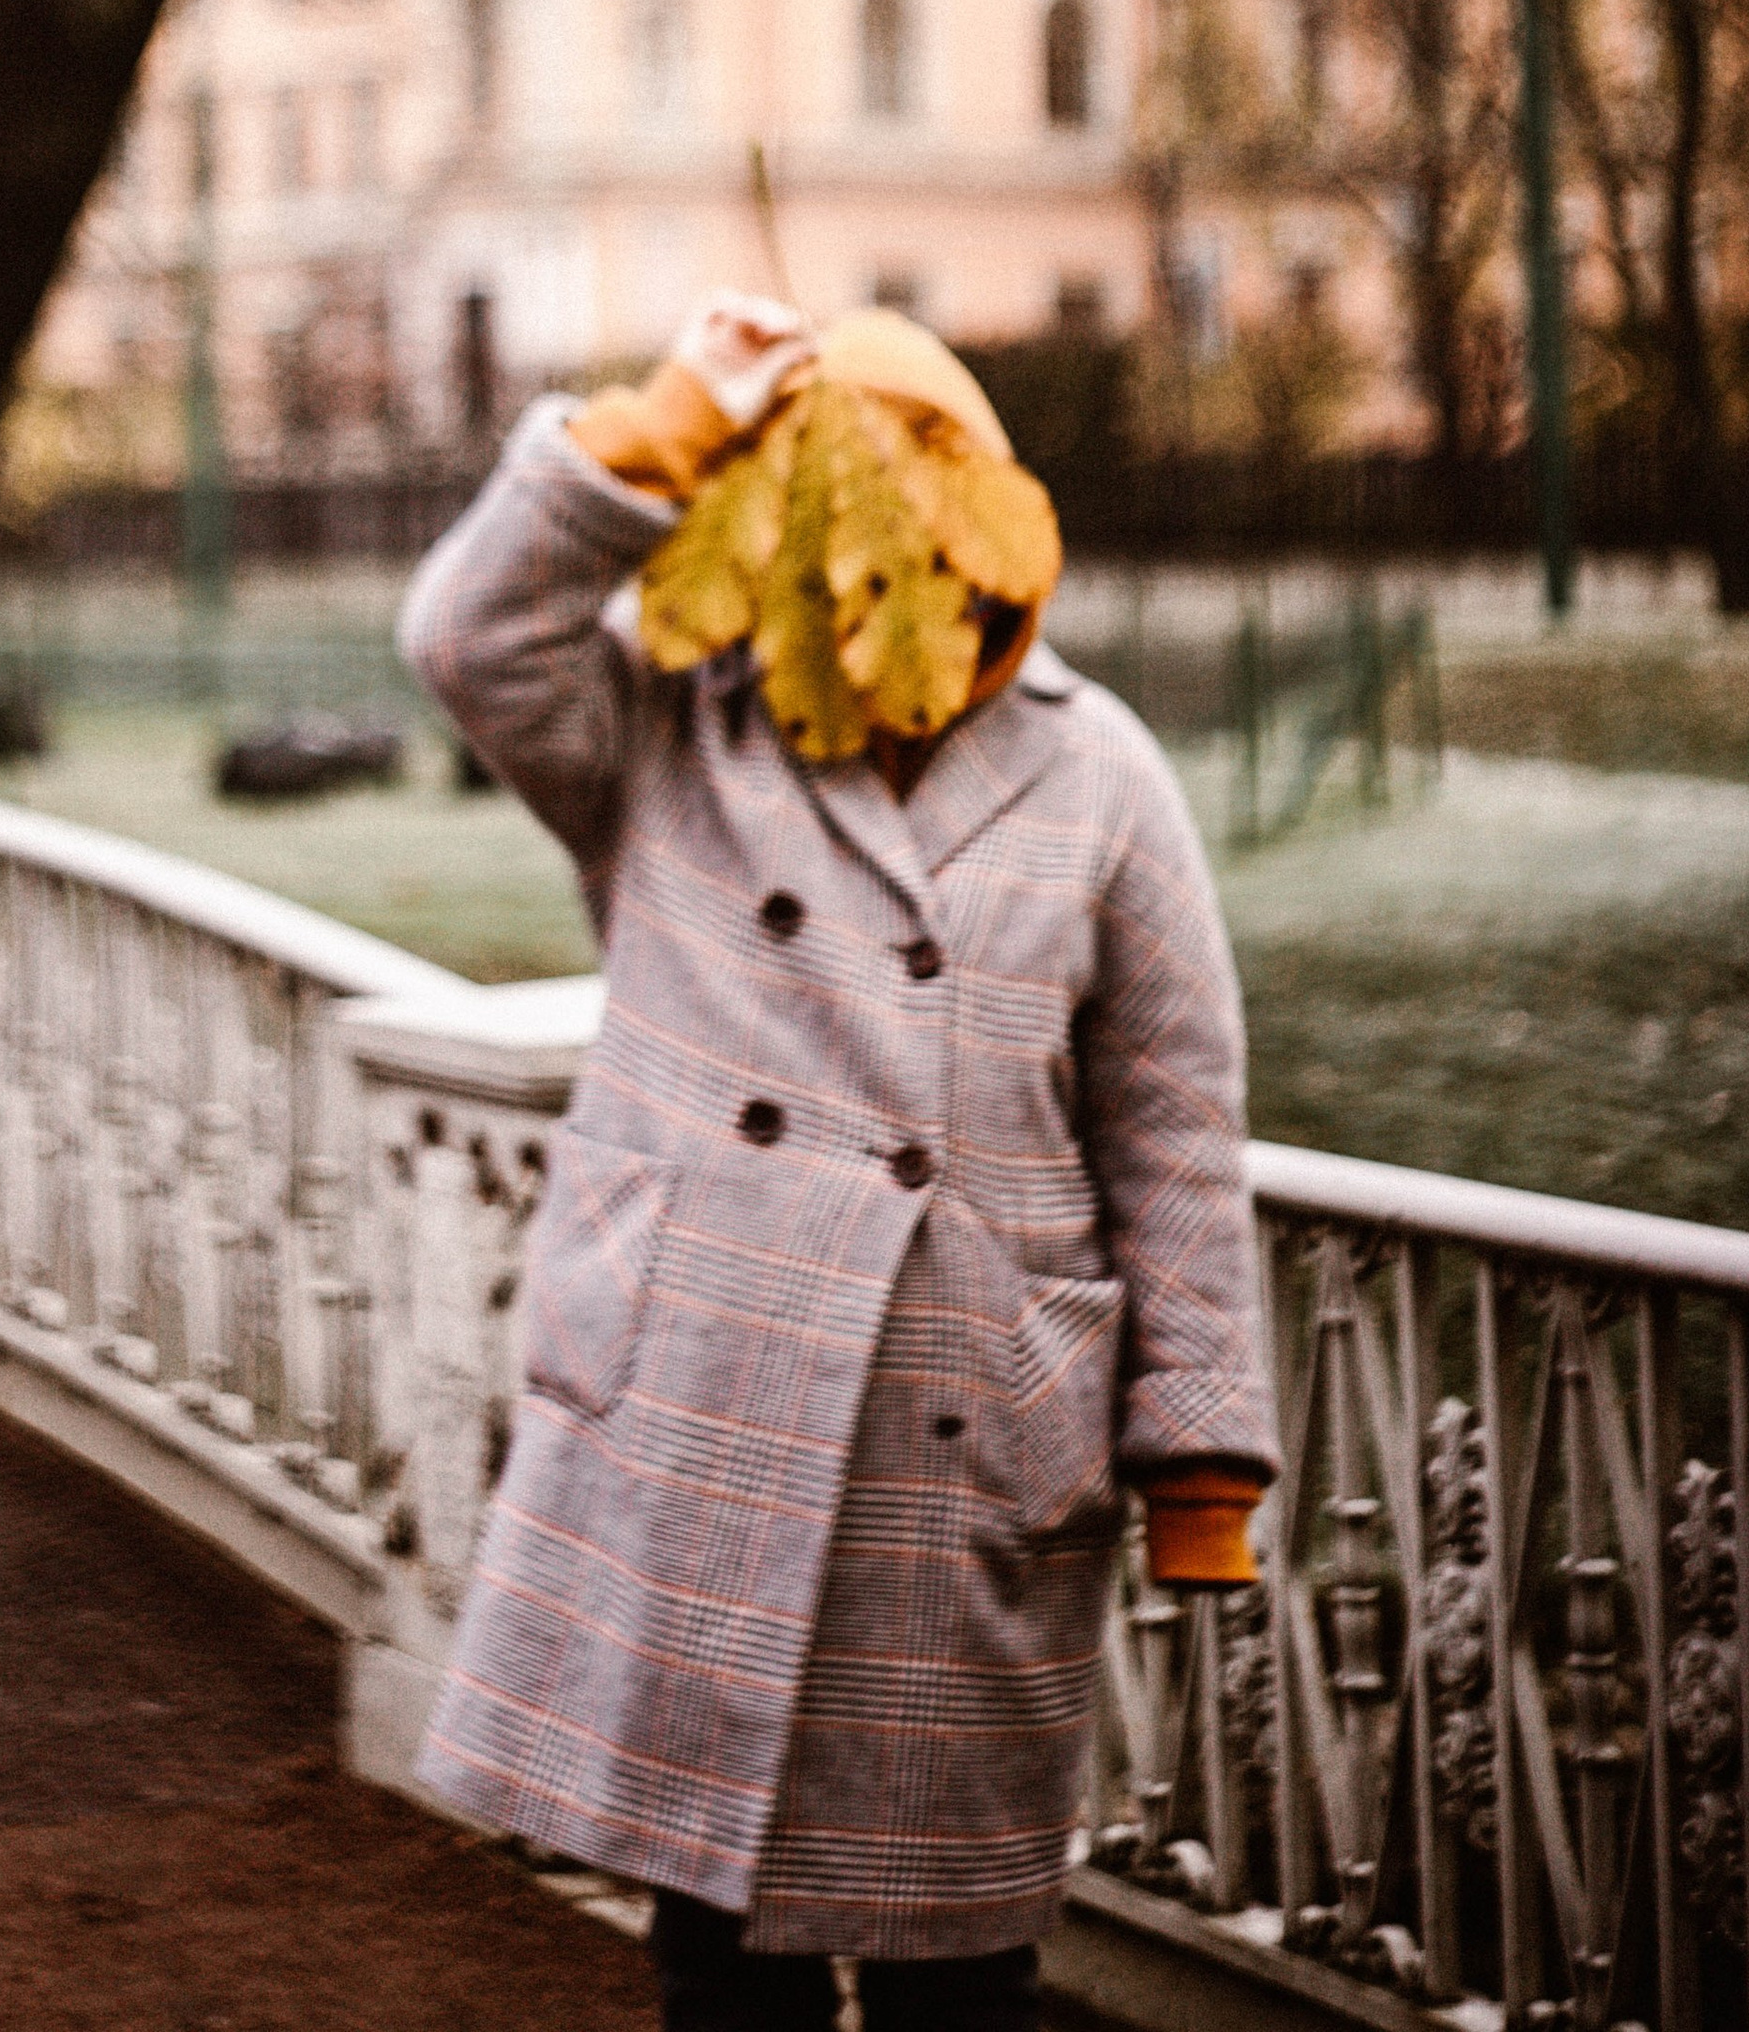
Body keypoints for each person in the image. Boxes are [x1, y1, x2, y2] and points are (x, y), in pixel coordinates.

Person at [396, 291, 1278, 2032]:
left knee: (964, 1971)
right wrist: (663, 428)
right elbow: (465, 636)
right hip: (707, 1418)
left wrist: (1200, 1464)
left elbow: (1174, 1124)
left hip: (963, 1447)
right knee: (723, 1956)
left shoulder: (1100, 775)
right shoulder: (666, 725)